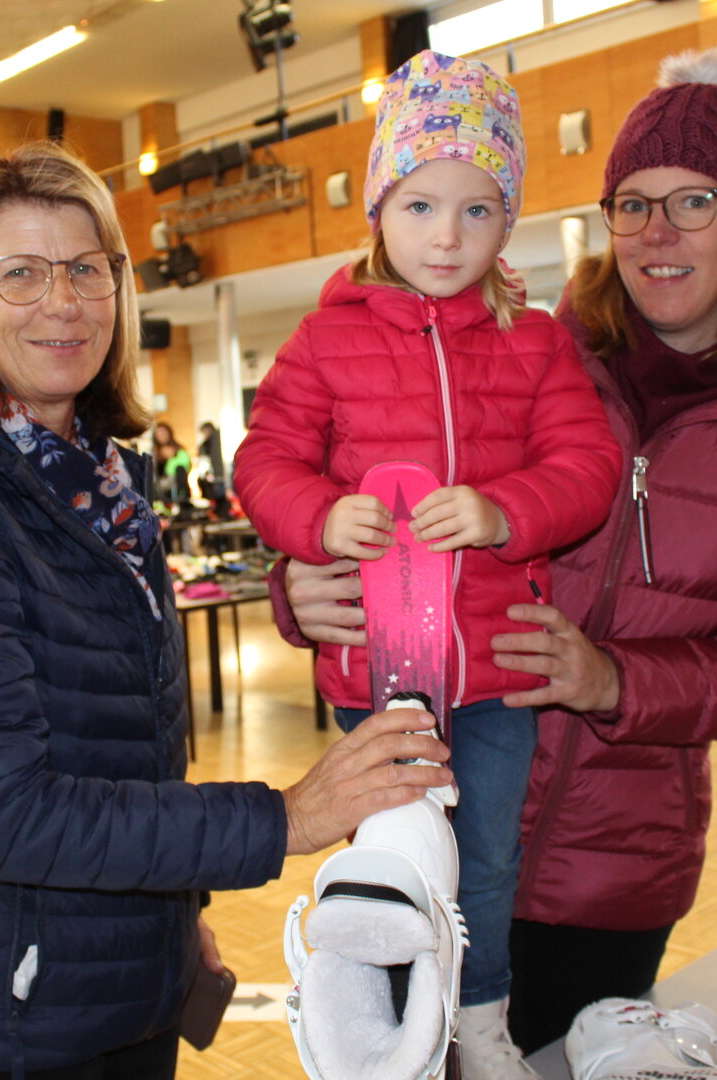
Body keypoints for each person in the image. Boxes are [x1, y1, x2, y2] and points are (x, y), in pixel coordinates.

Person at [280, 47, 717, 1054]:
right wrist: (307, 586)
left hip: (614, 867)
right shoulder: (527, 349)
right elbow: (362, 482)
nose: (656, 233)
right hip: (440, 819)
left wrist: (615, 682)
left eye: (695, 201)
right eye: (631, 203)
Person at [0, 140, 454, 1080]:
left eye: (88, 268)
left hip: (114, 971)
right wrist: (287, 817)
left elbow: (120, 732)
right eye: (20, 273)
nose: (64, 302)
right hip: (15, 1017)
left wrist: (177, 917)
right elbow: (4, 814)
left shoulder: (97, 477)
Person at [232, 50, 620, 1076]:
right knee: (389, 863)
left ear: (508, 220)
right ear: (378, 207)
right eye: (419, 206)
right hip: (380, 674)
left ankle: (479, 1025)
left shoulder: (535, 343)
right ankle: (380, 1028)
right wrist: (320, 518)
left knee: (487, 861)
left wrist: (504, 512)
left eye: (479, 210)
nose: (447, 237)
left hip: (497, 675)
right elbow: (262, 460)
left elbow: (588, 463)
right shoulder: (323, 341)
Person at [151, 420, 191, 504]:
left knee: (180, 469)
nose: (161, 436)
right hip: (161, 486)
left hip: (178, 482)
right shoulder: (154, 452)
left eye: (163, 433)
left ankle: (183, 499)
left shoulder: (179, 449)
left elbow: (187, 466)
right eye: (158, 434)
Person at [196, 420, 230, 515]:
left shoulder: (213, 441)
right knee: (218, 493)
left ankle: (222, 512)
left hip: (218, 472)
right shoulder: (209, 442)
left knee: (220, 493)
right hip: (216, 472)